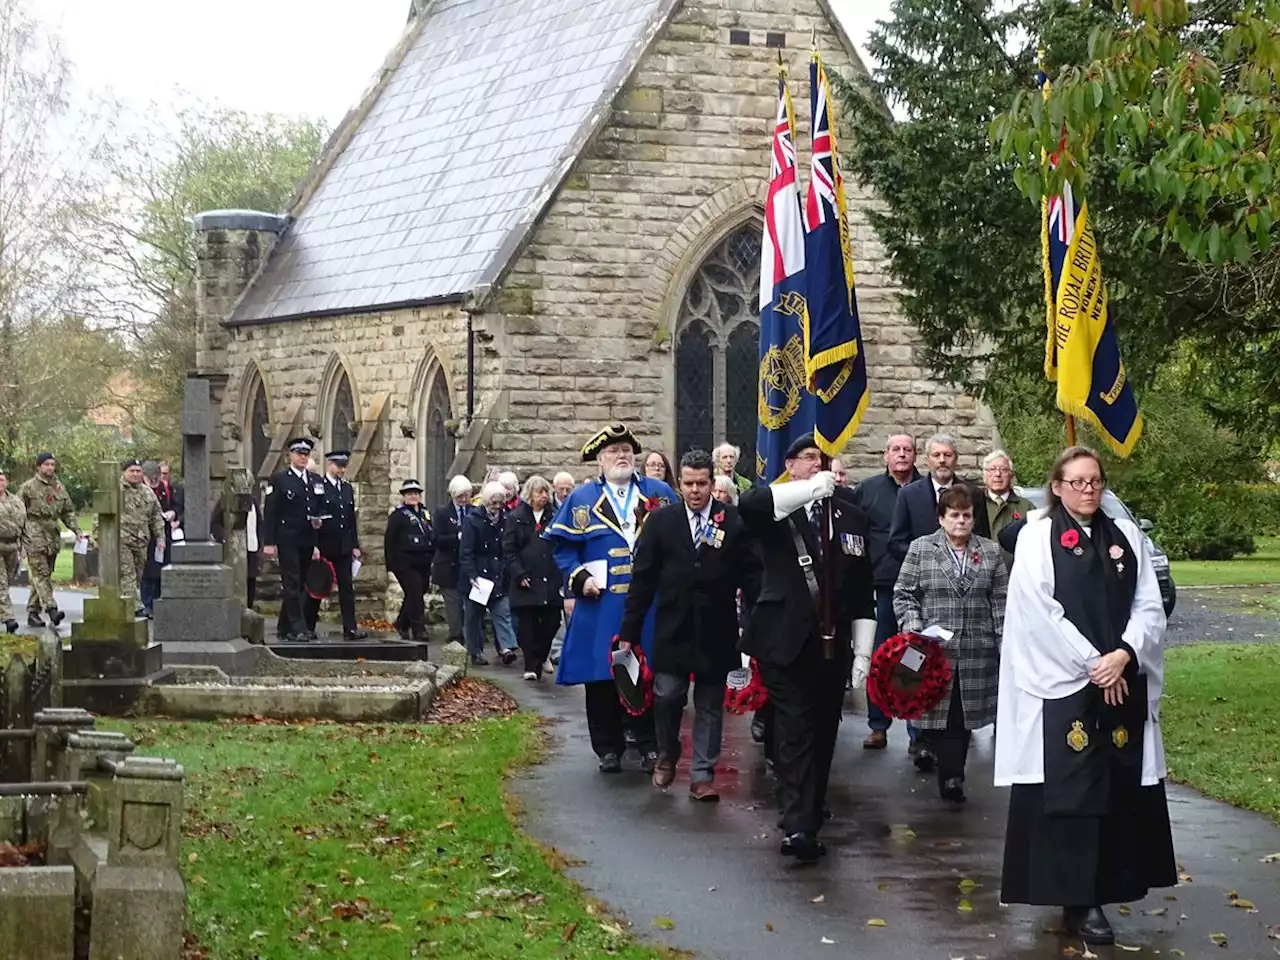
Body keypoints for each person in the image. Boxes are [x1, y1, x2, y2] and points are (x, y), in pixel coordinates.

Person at [996, 447, 1176, 945]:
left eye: (1094, 481)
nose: (1087, 490)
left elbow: (1149, 603)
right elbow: (1040, 611)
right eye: (1076, 482)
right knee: (1072, 790)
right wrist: (1094, 664)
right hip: (1065, 685)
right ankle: (1078, 899)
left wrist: (1124, 654)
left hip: (1119, 680)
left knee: (1114, 787)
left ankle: (1107, 885)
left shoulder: (1128, 538)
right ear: (1056, 487)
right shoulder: (1037, 538)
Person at [737, 433, 876, 862]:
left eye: (823, 458)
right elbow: (751, 505)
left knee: (823, 732)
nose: (817, 464)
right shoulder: (777, 510)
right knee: (795, 729)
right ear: (792, 464)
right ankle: (799, 826)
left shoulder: (851, 517)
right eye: (808, 457)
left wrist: (865, 652)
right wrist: (809, 490)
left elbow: (861, 588)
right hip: (785, 639)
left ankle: (808, 808)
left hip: (831, 646)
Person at [619, 449, 759, 801]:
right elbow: (643, 580)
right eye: (689, 484)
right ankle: (667, 753)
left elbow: (752, 576)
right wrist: (629, 631)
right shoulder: (662, 522)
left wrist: (755, 626)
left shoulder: (733, 521)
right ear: (679, 484)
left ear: (712, 483)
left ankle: (702, 775)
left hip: (717, 627)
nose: (695, 490)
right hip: (673, 627)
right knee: (668, 695)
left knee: (711, 703)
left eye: (702, 483)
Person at [545, 423, 677, 774]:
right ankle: (607, 748)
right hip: (600, 604)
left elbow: (680, 535)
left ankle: (650, 745)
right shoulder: (582, 499)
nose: (622, 456)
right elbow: (562, 550)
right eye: (613, 451)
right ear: (600, 460)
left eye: (626, 451)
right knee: (601, 676)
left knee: (648, 672)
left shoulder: (659, 493)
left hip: (648, 604)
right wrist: (580, 578)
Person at [892, 486, 1007, 803]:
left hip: (975, 649)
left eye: (967, 516)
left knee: (961, 714)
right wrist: (915, 629)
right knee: (933, 710)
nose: (961, 521)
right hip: (930, 649)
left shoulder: (990, 552)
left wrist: (1003, 641)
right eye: (954, 515)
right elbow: (904, 594)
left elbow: (1000, 600)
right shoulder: (921, 548)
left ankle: (953, 777)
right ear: (941, 518)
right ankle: (928, 750)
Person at [888, 432, 990, 769]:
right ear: (927, 458)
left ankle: (952, 770)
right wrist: (930, 560)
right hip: (927, 615)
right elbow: (897, 542)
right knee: (920, 689)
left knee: (959, 704)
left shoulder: (973, 493)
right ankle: (921, 744)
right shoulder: (910, 495)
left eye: (948, 454)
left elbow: (986, 544)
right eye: (936, 455)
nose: (943, 460)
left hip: (970, 628)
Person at [850, 433, 922, 750]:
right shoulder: (867, 490)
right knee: (879, 656)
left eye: (908, 450)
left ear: (916, 456)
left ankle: (917, 731)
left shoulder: (926, 492)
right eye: (896, 449)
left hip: (920, 589)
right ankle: (878, 725)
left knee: (915, 657)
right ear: (886, 455)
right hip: (880, 586)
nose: (902, 455)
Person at [262, 437, 324, 642]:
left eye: (306, 454)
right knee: (291, 580)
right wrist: (269, 542)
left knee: (300, 584)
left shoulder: (314, 480)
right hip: (287, 538)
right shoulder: (280, 479)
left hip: (307, 538)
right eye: (299, 454)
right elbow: (271, 511)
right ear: (291, 455)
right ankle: (299, 627)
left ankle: (284, 626)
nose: (303, 458)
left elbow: (317, 510)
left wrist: (316, 536)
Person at [503, 475, 563, 680]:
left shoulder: (555, 516)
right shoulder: (515, 517)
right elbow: (509, 550)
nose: (544, 496)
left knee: (552, 621)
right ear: (530, 495)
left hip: (550, 577)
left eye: (546, 492)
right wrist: (518, 574)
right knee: (526, 624)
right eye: (539, 492)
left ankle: (540, 656)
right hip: (526, 578)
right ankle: (531, 665)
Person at [305, 451, 367, 641]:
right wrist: (314, 545)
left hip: (343, 546)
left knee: (347, 588)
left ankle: (350, 628)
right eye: (339, 466)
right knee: (318, 586)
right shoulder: (319, 487)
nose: (342, 470)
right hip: (324, 544)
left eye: (344, 467)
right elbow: (313, 517)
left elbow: (350, 519)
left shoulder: (347, 489)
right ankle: (308, 626)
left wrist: (355, 545)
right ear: (330, 465)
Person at [20, 452, 85, 628]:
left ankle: (33, 612)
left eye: (52, 464)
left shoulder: (59, 487)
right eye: (46, 464)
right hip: (34, 534)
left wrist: (76, 530)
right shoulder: (28, 487)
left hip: (52, 537)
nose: (50, 467)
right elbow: (18, 513)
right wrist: (21, 539)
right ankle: (52, 609)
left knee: (44, 575)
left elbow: (68, 511)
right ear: (39, 466)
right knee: (41, 574)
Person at [460, 481, 519, 666]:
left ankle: (506, 647)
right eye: (494, 502)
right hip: (478, 575)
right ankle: (475, 651)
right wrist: (472, 575)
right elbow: (466, 551)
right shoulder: (472, 520)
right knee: (473, 617)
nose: (497, 507)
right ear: (486, 502)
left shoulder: (506, 519)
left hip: (498, 573)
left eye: (500, 503)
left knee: (502, 612)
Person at [385, 479, 435, 643]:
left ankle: (401, 623)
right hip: (404, 562)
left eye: (415, 493)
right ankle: (418, 629)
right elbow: (389, 540)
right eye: (409, 494)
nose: (413, 496)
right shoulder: (398, 515)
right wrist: (390, 564)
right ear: (404, 496)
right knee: (415, 594)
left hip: (424, 560)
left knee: (417, 592)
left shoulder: (424, 513)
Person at [119, 458, 166, 617]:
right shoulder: (116, 490)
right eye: (131, 471)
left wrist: (160, 537)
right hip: (122, 540)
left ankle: (126, 605)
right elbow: (102, 515)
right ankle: (136, 607)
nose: (135, 474)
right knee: (128, 573)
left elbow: (156, 516)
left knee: (137, 576)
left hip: (141, 541)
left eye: (138, 471)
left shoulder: (147, 492)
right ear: (124, 472)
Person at [431, 475, 472, 645]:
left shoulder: (473, 511)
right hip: (448, 566)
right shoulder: (442, 512)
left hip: (468, 566)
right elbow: (436, 539)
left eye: (466, 496)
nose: (463, 500)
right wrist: (457, 537)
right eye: (460, 496)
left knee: (469, 606)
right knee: (453, 606)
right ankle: (456, 637)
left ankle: (470, 638)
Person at [982, 450, 1034, 571]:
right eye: (992, 469)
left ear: (1011, 475)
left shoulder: (1027, 507)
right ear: (984, 475)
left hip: (1016, 575)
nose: (997, 474)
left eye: (1003, 470)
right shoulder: (974, 504)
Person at [0, 470, 26, 634]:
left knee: (7, 581)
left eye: (2, 480)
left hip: (12, 547)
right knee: (1, 584)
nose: (0, 483)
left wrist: (24, 546)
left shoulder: (16, 501)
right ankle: (9, 619)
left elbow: (24, 525)